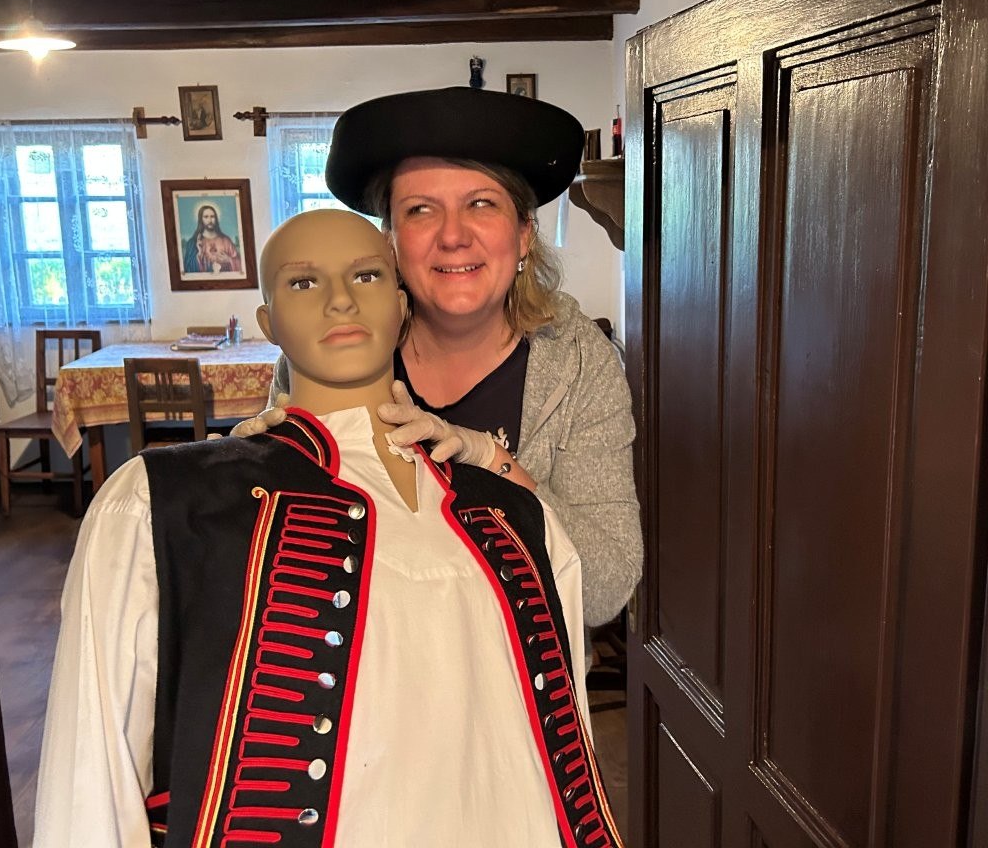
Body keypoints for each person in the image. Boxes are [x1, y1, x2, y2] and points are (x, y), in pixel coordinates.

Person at [34, 208, 623, 848]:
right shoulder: (163, 502)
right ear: (268, 323)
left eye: (366, 276)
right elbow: (88, 777)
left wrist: (490, 458)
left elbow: (567, 745)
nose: (340, 300)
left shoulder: (518, 516)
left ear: (401, 305)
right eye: (303, 282)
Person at [241, 86, 641, 628]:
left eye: (482, 203)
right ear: (391, 241)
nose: (453, 236)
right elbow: (284, 572)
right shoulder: (336, 348)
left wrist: (491, 462)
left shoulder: (577, 361)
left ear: (524, 233)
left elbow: (604, 590)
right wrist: (255, 480)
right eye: (420, 210)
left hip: (521, 665)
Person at [182, 202, 242, 274]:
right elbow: (187, 269)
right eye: (206, 217)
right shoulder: (193, 243)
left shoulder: (226, 241)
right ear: (201, 219)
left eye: (212, 216)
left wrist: (229, 260)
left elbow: (241, 266)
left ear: (216, 219)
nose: (210, 220)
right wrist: (199, 254)